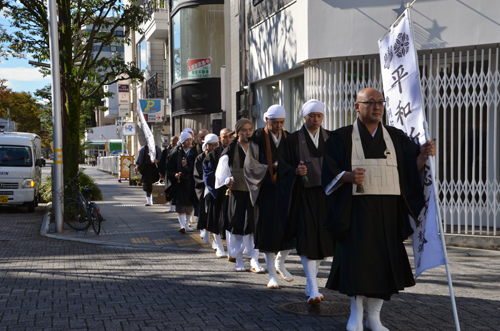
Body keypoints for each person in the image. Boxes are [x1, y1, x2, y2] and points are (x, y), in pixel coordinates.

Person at [321, 87, 436, 331]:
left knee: (383, 266)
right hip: (355, 213)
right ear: (356, 106)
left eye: (380, 103)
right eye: (370, 102)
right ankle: (355, 312)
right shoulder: (340, 138)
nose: (377, 107)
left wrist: (423, 157)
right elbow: (329, 173)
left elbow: (408, 171)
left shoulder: (395, 137)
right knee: (357, 265)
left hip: (387, 213)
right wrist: (349, 176)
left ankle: (374, 316)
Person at [278, 100, 334, 305]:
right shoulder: (293, 140)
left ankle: (311, 284)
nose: (316, 119)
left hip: (327, 197)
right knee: (308, 240)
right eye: (312, 115)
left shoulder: (330, 138)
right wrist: (294, 171)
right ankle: (314, 288)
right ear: (304, 117)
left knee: (324, 243)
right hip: (303, 197)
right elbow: (283, 168)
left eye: (319, 115)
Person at [244, 105, 295, 289]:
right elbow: (250, 166)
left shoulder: (288, 137)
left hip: (285, 190)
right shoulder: (257, 137)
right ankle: (272, 275)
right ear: (267, 120)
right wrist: (271, 166)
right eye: (275, 123)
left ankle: (281, 262)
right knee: (269, 234)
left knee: (290, 231)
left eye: (281, 123)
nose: (279, 126)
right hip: (266, 191)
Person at [215, 118, 265, 273]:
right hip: (236, 193)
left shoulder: (256, 146)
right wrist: (227, 179)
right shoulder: (231, 148)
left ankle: (254, 260)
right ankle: (239, 260)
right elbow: (222, 170)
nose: (248, 132)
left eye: (250, 129)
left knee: (253, 226)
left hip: (254, 192)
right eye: (244, 129)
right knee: (236, 227)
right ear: (237, 132)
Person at [203, 128, 234, 258]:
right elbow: (208, 175)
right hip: (218, 192)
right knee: (216, 220)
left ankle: (232, 250)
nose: (227, 139)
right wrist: (220, 184)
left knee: (232, 221)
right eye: (224, 137)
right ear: (219, 138)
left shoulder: (237, 151)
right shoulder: (212, 155)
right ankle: (219, 246)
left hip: (234, 192)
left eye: (229, 137)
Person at [166, 132, 195, 233]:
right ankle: (182, 225)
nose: (189, 141)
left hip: (190, 181)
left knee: (189, 204)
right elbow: (168, 168)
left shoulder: (193, 151)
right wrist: (174, 174)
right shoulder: (175, 152)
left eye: (190, 139)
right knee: (180, 205)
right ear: (182, 141)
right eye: (187, 140)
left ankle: (187, 224)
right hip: (179, 182)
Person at [194, 133, 219, 244]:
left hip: (217, 187)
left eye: (215, 145)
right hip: (205, 189)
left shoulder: (220, 155)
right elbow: (197, 175)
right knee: (205, 213)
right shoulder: (200, 158)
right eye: (210, 145)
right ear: (206, 145)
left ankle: (215, 238)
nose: (213, 148)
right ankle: (206, 233)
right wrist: (205, 184)